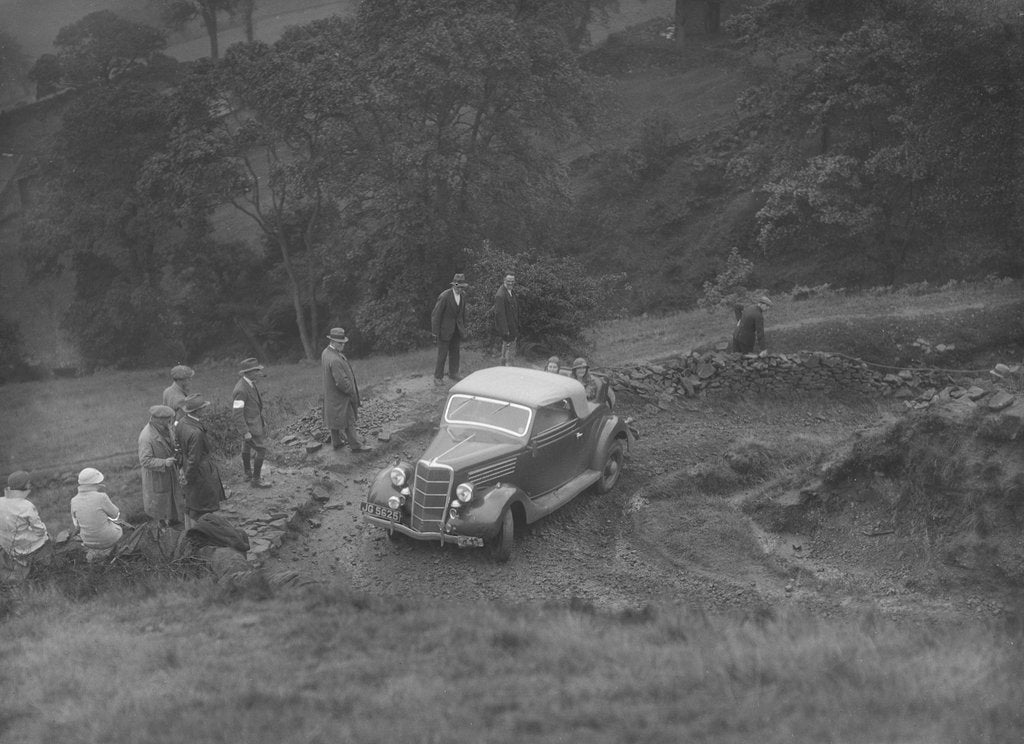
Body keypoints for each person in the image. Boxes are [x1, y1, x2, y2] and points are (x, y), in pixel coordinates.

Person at [176, 394, 225, 529]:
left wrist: (181, 469)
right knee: (203, 506)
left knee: (192, 503)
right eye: (203, 408)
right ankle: (201, 534)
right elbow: (194, 459)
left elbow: (178, 447)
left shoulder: (181, 422)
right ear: (197, 411)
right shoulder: (196, 432)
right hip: (200, 472)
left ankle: (189, 531)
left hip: (188, 467)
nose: (205, 410)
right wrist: (188, 477)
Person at [321, 327, 371, 453]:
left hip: (331, 395)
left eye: (343, 342)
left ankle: (336, 442)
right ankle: (356, 445)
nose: (343, 345)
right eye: (340, 343)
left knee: (333, 418)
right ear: (333, 342)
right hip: (341, 397)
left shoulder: (325, 353)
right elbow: (341, 382)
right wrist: (351, 391)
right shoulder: (335, 359)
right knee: (349, 421)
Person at [138, 405, 184, 527]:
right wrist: (164, 462)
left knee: (171, 502)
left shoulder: (165, 428)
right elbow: (144, 460)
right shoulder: (146, 437)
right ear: (159, 420)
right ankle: (163, 531)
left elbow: (171, 442)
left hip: (168, 474)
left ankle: (173, 524)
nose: (170, 421)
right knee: (160, 508)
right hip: (157, 477)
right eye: (168, 419)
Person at [232, 357, 270, 488]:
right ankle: (256, 480)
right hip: (250, 426)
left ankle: (248, 473)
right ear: (247, 372)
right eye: (256, 371)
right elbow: (237, 414)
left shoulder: (250, 383)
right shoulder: (241, 390)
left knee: (246, 447)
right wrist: (245, 432)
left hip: (254, 423)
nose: (258, 373)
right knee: (261, 450)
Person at [70, 467, 123, 560]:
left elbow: (77, 525)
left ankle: (96, 554)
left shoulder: (73, 501)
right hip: (108, 539)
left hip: (88, 541)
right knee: (119, 527)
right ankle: (114, 554)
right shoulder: (101, 497)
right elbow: (115, 515)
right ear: (95, 483)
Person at [0, 470, 50, 562]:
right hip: (25, 546)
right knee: (46, 534)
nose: (30, 484)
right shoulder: (26, 505)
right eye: (28, 483)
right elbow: (40, 531)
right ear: (25, 485)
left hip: (7, 545)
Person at [431, 273, 470, 384]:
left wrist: (463, 327)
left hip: (457, 330)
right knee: (442, 354)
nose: (459, 289)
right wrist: (435, 332)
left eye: (461, 287)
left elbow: (462, 314)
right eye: (458, 286)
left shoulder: (463, 296)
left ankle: (453, 373)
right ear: (454, 285)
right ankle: (438, 377)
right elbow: (436, 315)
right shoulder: (445, 296)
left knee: (455, 352)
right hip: (444, 330)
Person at [493, 273, 519, 366]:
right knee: (509, 352)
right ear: (504, 280)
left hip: (512, 326)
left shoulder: (511, 291)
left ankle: (503, 368)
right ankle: (508, 370)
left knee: (506, 350)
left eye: (512, 281)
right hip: (507, 329)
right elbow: (500, 314)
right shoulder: (500, 295)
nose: (510, 283)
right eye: (508, 281)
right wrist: (505, 331)